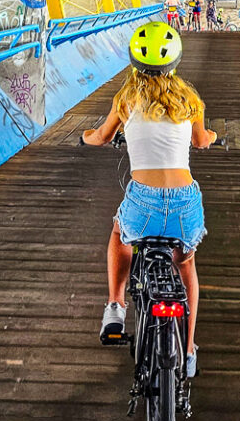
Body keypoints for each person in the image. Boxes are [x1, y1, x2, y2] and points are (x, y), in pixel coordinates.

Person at [82, 21, 217, 377]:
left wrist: (87, 137)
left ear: (133, 62)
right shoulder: (191, 100)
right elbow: (202, 141)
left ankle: (115, 305)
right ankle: (187, 352)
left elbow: (100, 136)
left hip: (144, 204)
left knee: (118, 234)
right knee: (186, 265)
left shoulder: (126, 100)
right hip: (186, 202)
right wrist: (212, 134)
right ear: (175, 61)